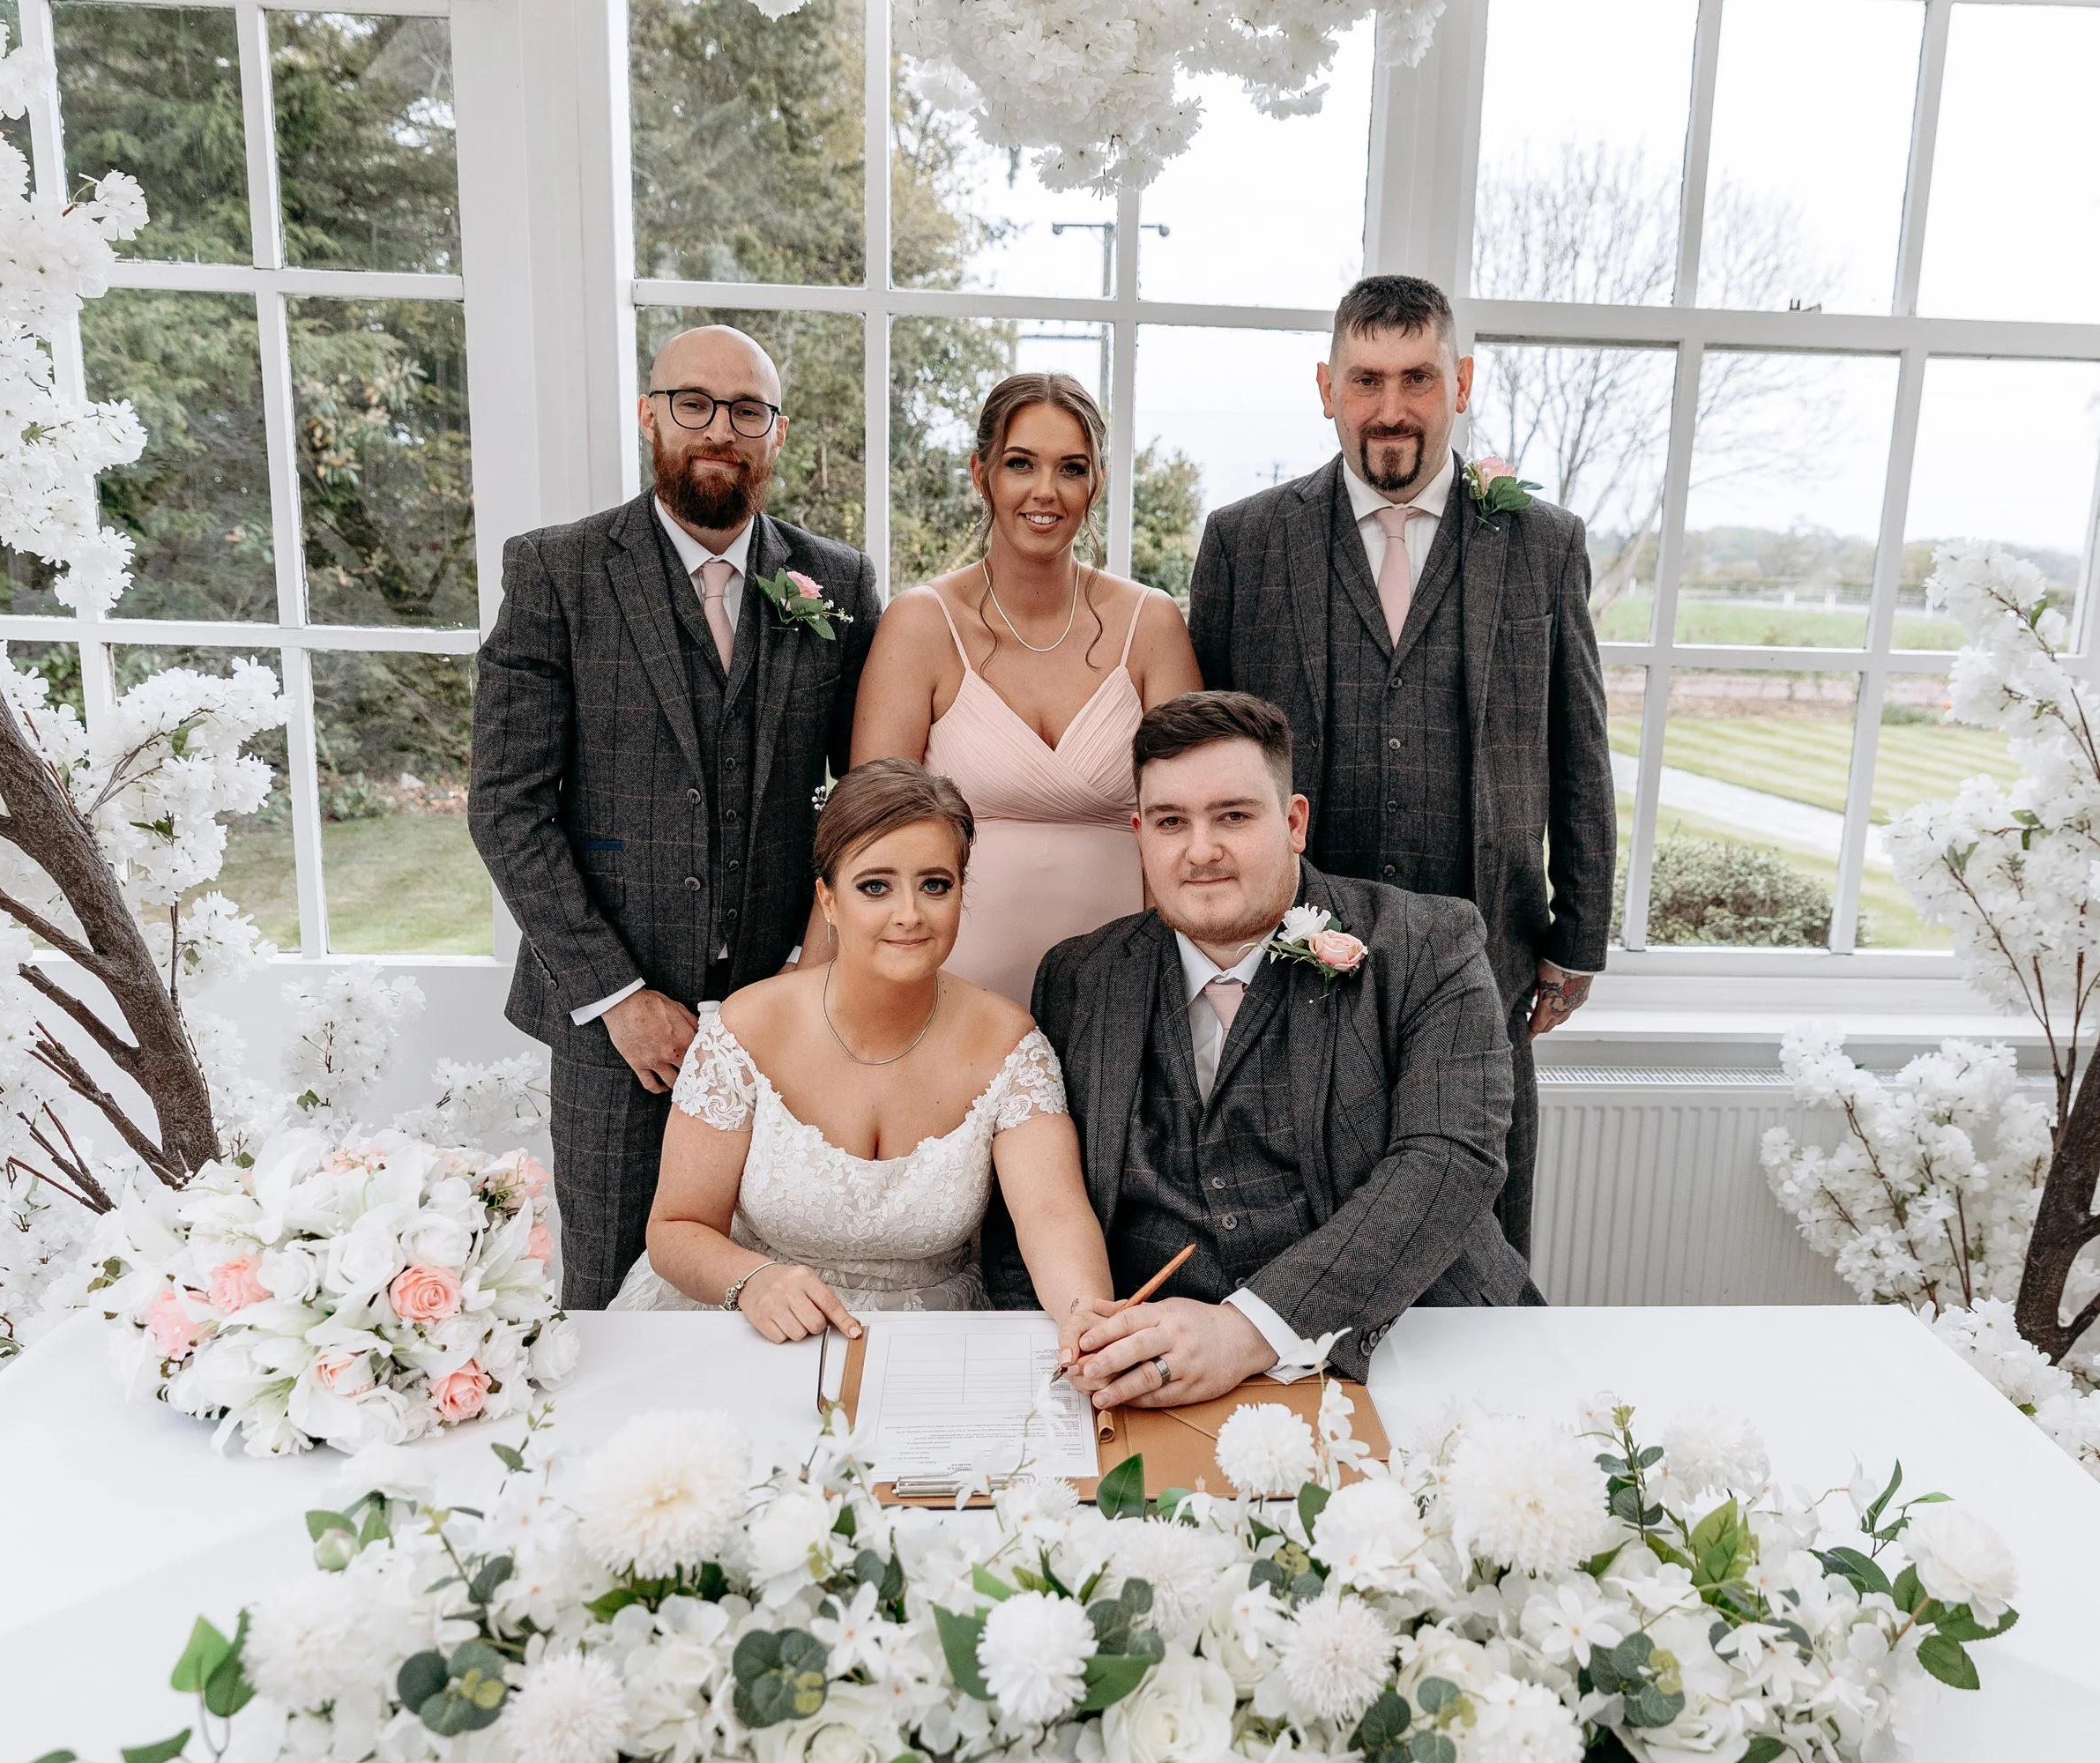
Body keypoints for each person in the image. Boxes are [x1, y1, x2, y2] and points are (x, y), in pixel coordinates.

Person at [1187, 274, 1616, 1264]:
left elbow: (1577, 750)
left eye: (1416, 377)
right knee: (1298, 1242)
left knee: (1480, 1246)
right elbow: (1198, 756)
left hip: (1485, 955)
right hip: (1286, 965)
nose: (1390, 407)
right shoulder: (1245, 542)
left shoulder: (1542, 545)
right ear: (1326, 386)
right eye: (1365, 379)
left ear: (1458, 381)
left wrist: (1576, 937)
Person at [469, 325, 884, 1309]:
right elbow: (505, 807)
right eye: (694, 403)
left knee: (782, 1278)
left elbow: (865, 805)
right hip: (614, 1031)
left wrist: (809, 980)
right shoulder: (556, 573)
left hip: (785, 1021)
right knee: (614, 1289)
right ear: (651, 414)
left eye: (748, 411)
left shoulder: (840, 583)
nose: (720, 430)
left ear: (774, 435)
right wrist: (616, 995)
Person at [985, 691, 1536, 1407]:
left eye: (1233, 816)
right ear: (1139, 835)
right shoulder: (1077, 977)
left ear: (1295, 822)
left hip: (1409, 1348)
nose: (1201, 850)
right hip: (1155, 1374)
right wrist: (1076, 1332)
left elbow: (1449, 1161)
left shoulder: (1428, 944)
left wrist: (1246, 1332)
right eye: (1170, 822)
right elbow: (1034, 1199)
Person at [613, 759, 1113, 1337]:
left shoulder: (1009, 1043)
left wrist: (1085, 1315)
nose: (909, 915)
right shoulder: (747, 1027)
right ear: (827, 900)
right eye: (875, 886)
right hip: (751, 1328)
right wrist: (751, 1281)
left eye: (935, 885)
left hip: (930, 1342)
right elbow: (676, 1226)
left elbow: (1052, 1215)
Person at [848, 373, 1200, 1008]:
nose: (1045, 492)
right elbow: (868, 836)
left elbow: (1183, 825)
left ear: (1096, 482)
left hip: (1123, 996)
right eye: (1020, 464)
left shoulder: (1153, 625)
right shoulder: (921, 623)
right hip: (948, 993)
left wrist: (1169, 1001)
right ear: (981, 474)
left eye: (1071, 468)